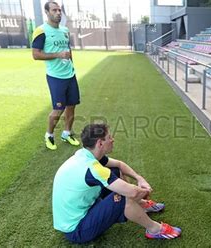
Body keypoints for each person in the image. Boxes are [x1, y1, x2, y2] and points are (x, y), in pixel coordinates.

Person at [52, 123, 181, 243]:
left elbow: (119, 164)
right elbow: (133, 192)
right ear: (100, 143)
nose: (113, 140)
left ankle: (141, 205)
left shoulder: (85, 155)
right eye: (109, 137)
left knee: (115, 170)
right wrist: (145, 191)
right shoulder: (92, 168)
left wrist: (139, 178)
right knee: (123, 197)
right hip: (76, 230)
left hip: (82, 211)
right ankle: (154, 229)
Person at [32, 1, 80, 150]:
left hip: (70, 75)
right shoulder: (41, 31)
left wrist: (71, 65)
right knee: (58, 109)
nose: (58, 13)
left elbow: (68, 50)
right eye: (54, 10)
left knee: (71, 106)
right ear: (47, 12)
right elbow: (36, 55)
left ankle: (66, 133)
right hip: (55, 77)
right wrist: (58, 55)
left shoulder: (65, 30)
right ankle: (49, 135)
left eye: (59, 10)